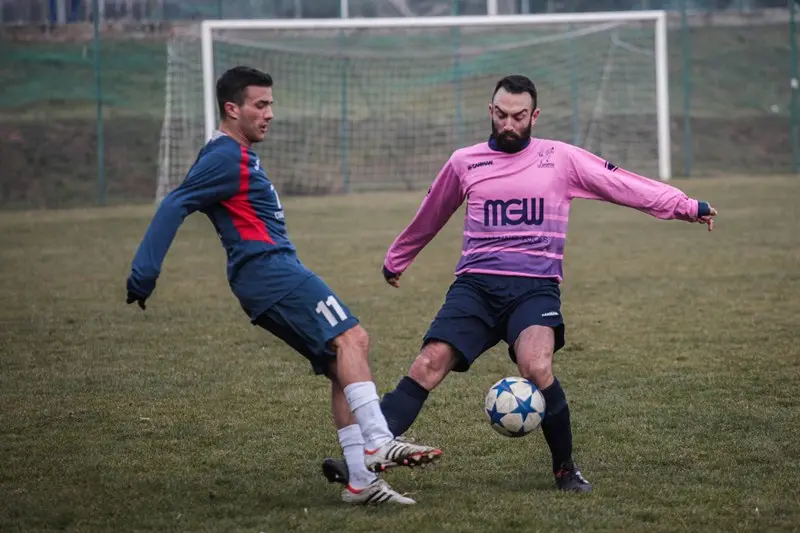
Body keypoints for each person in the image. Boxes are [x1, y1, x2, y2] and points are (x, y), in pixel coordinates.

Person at [321, 74, 717, 493]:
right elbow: (432, 211)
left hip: (534, 288)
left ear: (534, 115)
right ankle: (365, 458)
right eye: (502, 115)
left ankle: (565, 468)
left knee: (537, 366)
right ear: (491, 112)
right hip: (475, 287)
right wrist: (398, 258)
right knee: (428, 363)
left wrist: (686, 206)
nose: (509, 124)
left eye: (519, 116)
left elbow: (623, 185)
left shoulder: (559, 158)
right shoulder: (465, 161)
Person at [125, 66, 441, 506]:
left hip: (267, 273)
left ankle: (360, 482)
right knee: (353, 338)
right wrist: (145, 273)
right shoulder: (224, 157)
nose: (269, 113)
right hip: (269, 271)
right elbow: (175, 202)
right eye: (260, 104)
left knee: (340, 366)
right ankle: (377, 442)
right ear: (232, 109)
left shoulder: (234, 154)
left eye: (271, 103)